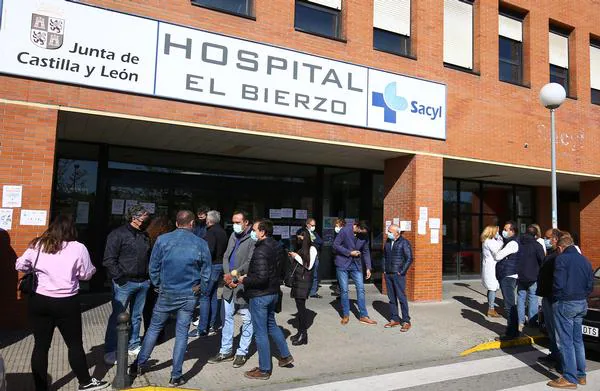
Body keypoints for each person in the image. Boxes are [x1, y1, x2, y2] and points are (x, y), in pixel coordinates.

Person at [16, 215, 109, 391]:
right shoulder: (78, 248)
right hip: (67, 302)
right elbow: (86, 275)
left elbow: (20, 265)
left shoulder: (38, 244)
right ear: (71, 229)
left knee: (40, 346)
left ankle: (41, 387)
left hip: (39, 300)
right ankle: (85, 382)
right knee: (74, 344)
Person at [130, 210, 211, 387]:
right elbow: (206, 272)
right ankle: (176, 375)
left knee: (153, 329)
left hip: (167, 291)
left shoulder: (162, 240)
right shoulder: (200, 243)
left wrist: (158, 285)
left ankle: (139, 364)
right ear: (191, 224)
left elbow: (153, 267)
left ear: (176, 223)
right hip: (189, 293)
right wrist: (201, 288)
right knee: (181, 334)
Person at [238, 219, 294, 380]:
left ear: (262, 232)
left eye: (254, 230)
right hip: (273, 293)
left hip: (260, 295)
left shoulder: (261, 250)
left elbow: (261, 278)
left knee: (261, 333)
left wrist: (244, 280)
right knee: (271, 325)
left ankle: (264, 369)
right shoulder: (276, 246)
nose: (252, 233)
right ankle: (285, 356)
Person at [103, 205, 151, 365]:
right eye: (144, 216)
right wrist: (120, 277)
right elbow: (109, 259)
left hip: (143, 281)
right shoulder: (117, 235)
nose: (147, 219)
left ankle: (134, 344)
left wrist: (149, 278)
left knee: (137, 316)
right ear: (134, 218)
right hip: (124, 282)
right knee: (118, 316)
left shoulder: (144, 235)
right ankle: (111, 349)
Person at [208, 210, 255, 368]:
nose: (235, 225)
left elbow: (250, 262)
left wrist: (234, 277)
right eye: (233, 221)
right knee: (226, 318)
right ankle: (226, 351)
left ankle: (242, 352)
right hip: (229, 284)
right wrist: (227, 275)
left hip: (242, 285)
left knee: (247, 319)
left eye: (238, 222)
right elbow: (226, 256)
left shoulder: (252, 238)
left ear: (246, 222)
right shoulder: (233, 236)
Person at [547, 235, 594, 389]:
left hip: (565, 303)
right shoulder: (585, 260)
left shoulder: (562, 259)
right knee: (577, 340)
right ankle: (581, 375)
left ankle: (569, 378)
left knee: (566, 342)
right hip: (581, 302)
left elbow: (558, 283)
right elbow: (590, 284)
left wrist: (558, 297)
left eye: (557, 250)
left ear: (560, 248)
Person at [190, 210, 228, 337]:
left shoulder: (211, 232)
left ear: (209, 220)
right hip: (219, 265)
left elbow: (209, 251)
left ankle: (203, 328)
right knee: (212, 296)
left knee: (205, 296)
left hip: (211, 266)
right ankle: (211, 325)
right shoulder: (222, 231)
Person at [333, 220, 377, 325]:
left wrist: (368, 267)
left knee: (361, 289)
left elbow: (366, 251)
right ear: (356, 226)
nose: (362, 233)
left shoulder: (364, 235)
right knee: (344, 290)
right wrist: (349, 253)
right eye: (362, 231)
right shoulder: (344, 231)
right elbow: (335, 245)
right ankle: (345, 315)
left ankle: (363, 315)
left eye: (364, 232)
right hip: (343, 264)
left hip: (356, 265)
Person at [536, 228, 563, 371]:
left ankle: (560, 362)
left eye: (548, 238)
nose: (545, 241)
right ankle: (553, 354)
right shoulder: (551, 254)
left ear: (555, 239)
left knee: (557, 331)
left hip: (554, 298)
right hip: (546, 296)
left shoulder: (558, 255)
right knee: (551, 330)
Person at [143, 216, 175, 333]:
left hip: (150, 277)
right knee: (160, 306)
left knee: (148, 307)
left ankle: (149, 331)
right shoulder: (167, 241)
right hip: (163, 277)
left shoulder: (148, 238)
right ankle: (159, 333)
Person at [288, 226, 318, 345]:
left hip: (304, 281)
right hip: (298, 280)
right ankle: (300, 333)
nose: (298, 239)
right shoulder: (301, 248)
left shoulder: (312, 249)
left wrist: (296, 257)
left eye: (300, 237)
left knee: (301, 309)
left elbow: (309, 265)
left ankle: (303, 335)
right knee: (299, 308)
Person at [382, 224, 413, 332]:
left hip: (398, 274)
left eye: (390, 231)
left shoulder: (404, 242)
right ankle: (394, 319)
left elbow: (409, 258)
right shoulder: (388, 242)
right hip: (388, 273)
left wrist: (401, 271)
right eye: (388, 231)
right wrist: (384, 269)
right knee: (391, 298)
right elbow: (384, 256)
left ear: (397, 233)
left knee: (401, 297)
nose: (388, 233)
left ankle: (406, 321)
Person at [493, 221, 520, 340]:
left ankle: (511, 332)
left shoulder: (512, 243)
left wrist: (497, 249)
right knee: (510, 304)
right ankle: (513, 331)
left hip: (508, 276)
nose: (503, 231)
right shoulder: (509, 242)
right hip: (508, 275)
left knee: (509, 305)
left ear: (512, 231)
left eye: (506, 229)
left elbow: (497, 256)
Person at [516, 225, 545, 330]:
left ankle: (520, 321)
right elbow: (542, 261)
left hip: (520, 276)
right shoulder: (537, 245)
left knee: (520, 298)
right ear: (535, 234)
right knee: (533, 298)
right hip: (533, 276)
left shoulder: (519, 243)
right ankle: (532, 322)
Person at [296, 218, 323, 298]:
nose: (314, 227)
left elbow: (320, 242)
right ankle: (303, 291)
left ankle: (313, 292)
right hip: (305, 256)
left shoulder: (314, 233)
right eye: (312, 225)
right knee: (304, 274)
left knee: (314, 275)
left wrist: (310, 241)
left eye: (314, 225)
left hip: (314, 256)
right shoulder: (301, 231)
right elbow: (299, 243)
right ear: (307, 224)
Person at [480, 225, 503, 317]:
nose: (498, 233)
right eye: (497, 231)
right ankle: (491, 309)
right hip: (491, 266)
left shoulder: (488, 241)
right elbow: (497, 250)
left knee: (492, 287)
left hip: (490, 265)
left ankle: (491, 307)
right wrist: (500, 240)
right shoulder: (489, 241)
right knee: (492, 287)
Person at [330, 218, 346, 297]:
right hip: (338, 256)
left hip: (342, 257)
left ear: (340, 224)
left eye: (336, 225)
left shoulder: (343, 233)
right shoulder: (338, 233)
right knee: (339, 275)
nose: (335, 227)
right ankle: (340, 290)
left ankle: (341, 291)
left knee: (341, 275)